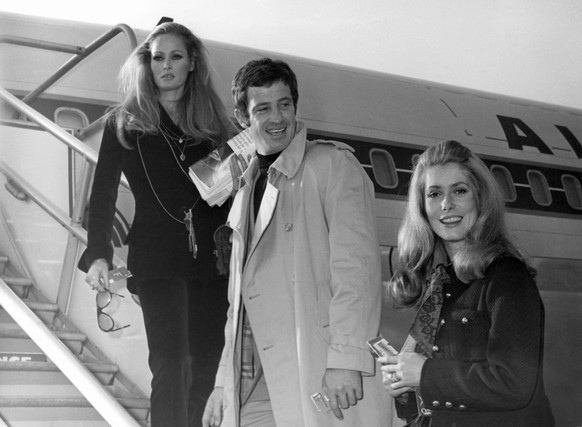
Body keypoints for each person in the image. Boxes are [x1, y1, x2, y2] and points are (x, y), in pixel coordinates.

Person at [202, 58, 397, 427]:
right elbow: (238, 303)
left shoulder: (332, 166)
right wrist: (221, 384)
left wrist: (346, 358)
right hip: (254, 379)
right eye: (263, 108)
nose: (277, 118)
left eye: (285, 104)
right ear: (243, 117)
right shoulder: (244, 188)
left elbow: (355, 272)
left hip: (315, 364)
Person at [77, 21, 235, 427]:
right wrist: (98, 253)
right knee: (171, 362)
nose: (166, 66)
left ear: (192, 63)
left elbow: (229, 196)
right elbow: (104, 192)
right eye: (157, 57)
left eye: (175, 57)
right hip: (156, 258)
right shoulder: (125, 122)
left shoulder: (215, 125)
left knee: (202, 367)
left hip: (210, 262)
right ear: (147, 64)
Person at [380, 140, 554, 427]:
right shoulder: (440, 283)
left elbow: (515, 384)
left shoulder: (507, 276)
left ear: (480, 198)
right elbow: (446, 389)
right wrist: (407, 384)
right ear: (422, 208)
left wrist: (425, 374)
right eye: (434, 194)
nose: (446, 204)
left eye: (459, 191)